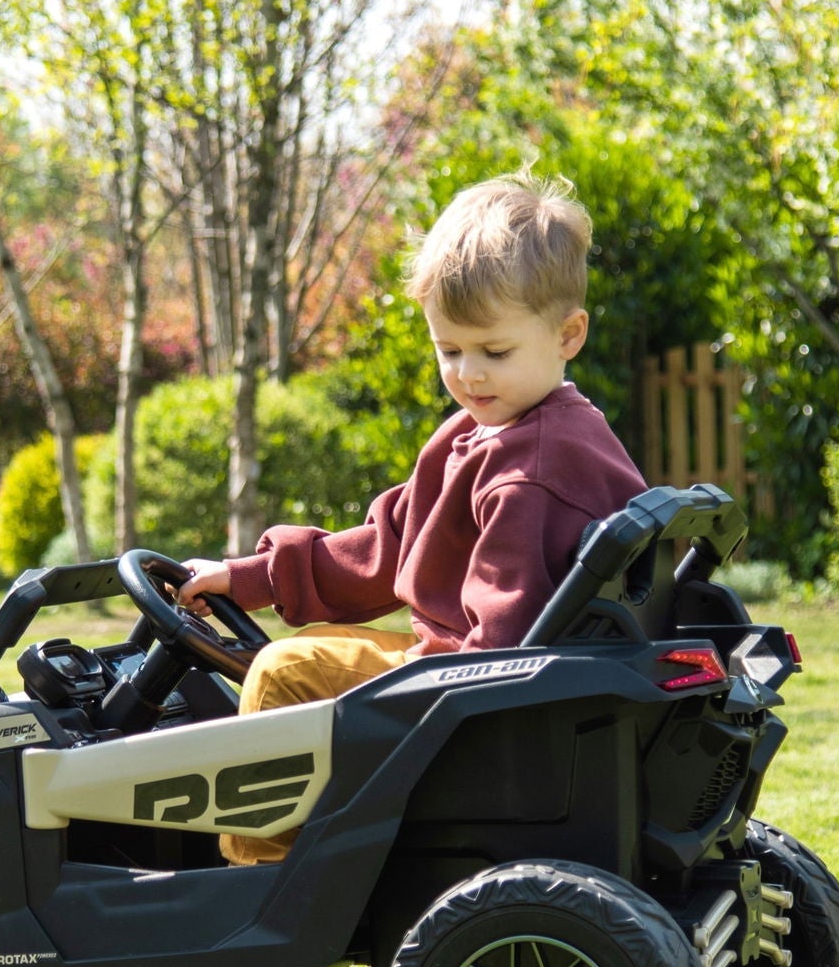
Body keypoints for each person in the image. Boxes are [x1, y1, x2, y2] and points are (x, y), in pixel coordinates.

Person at [178, 169, 648, 865]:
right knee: (317, 649)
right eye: (449, 349)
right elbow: (391, 545)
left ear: (568, 334)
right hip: (472, 671)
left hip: (477, 697)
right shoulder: (481, 433)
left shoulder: (534, 470)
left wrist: (419, 688)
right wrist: (247, 578)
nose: (468, 374)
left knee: (282, 674)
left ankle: (265, 876)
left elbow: (503, 644)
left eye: (494, 351)